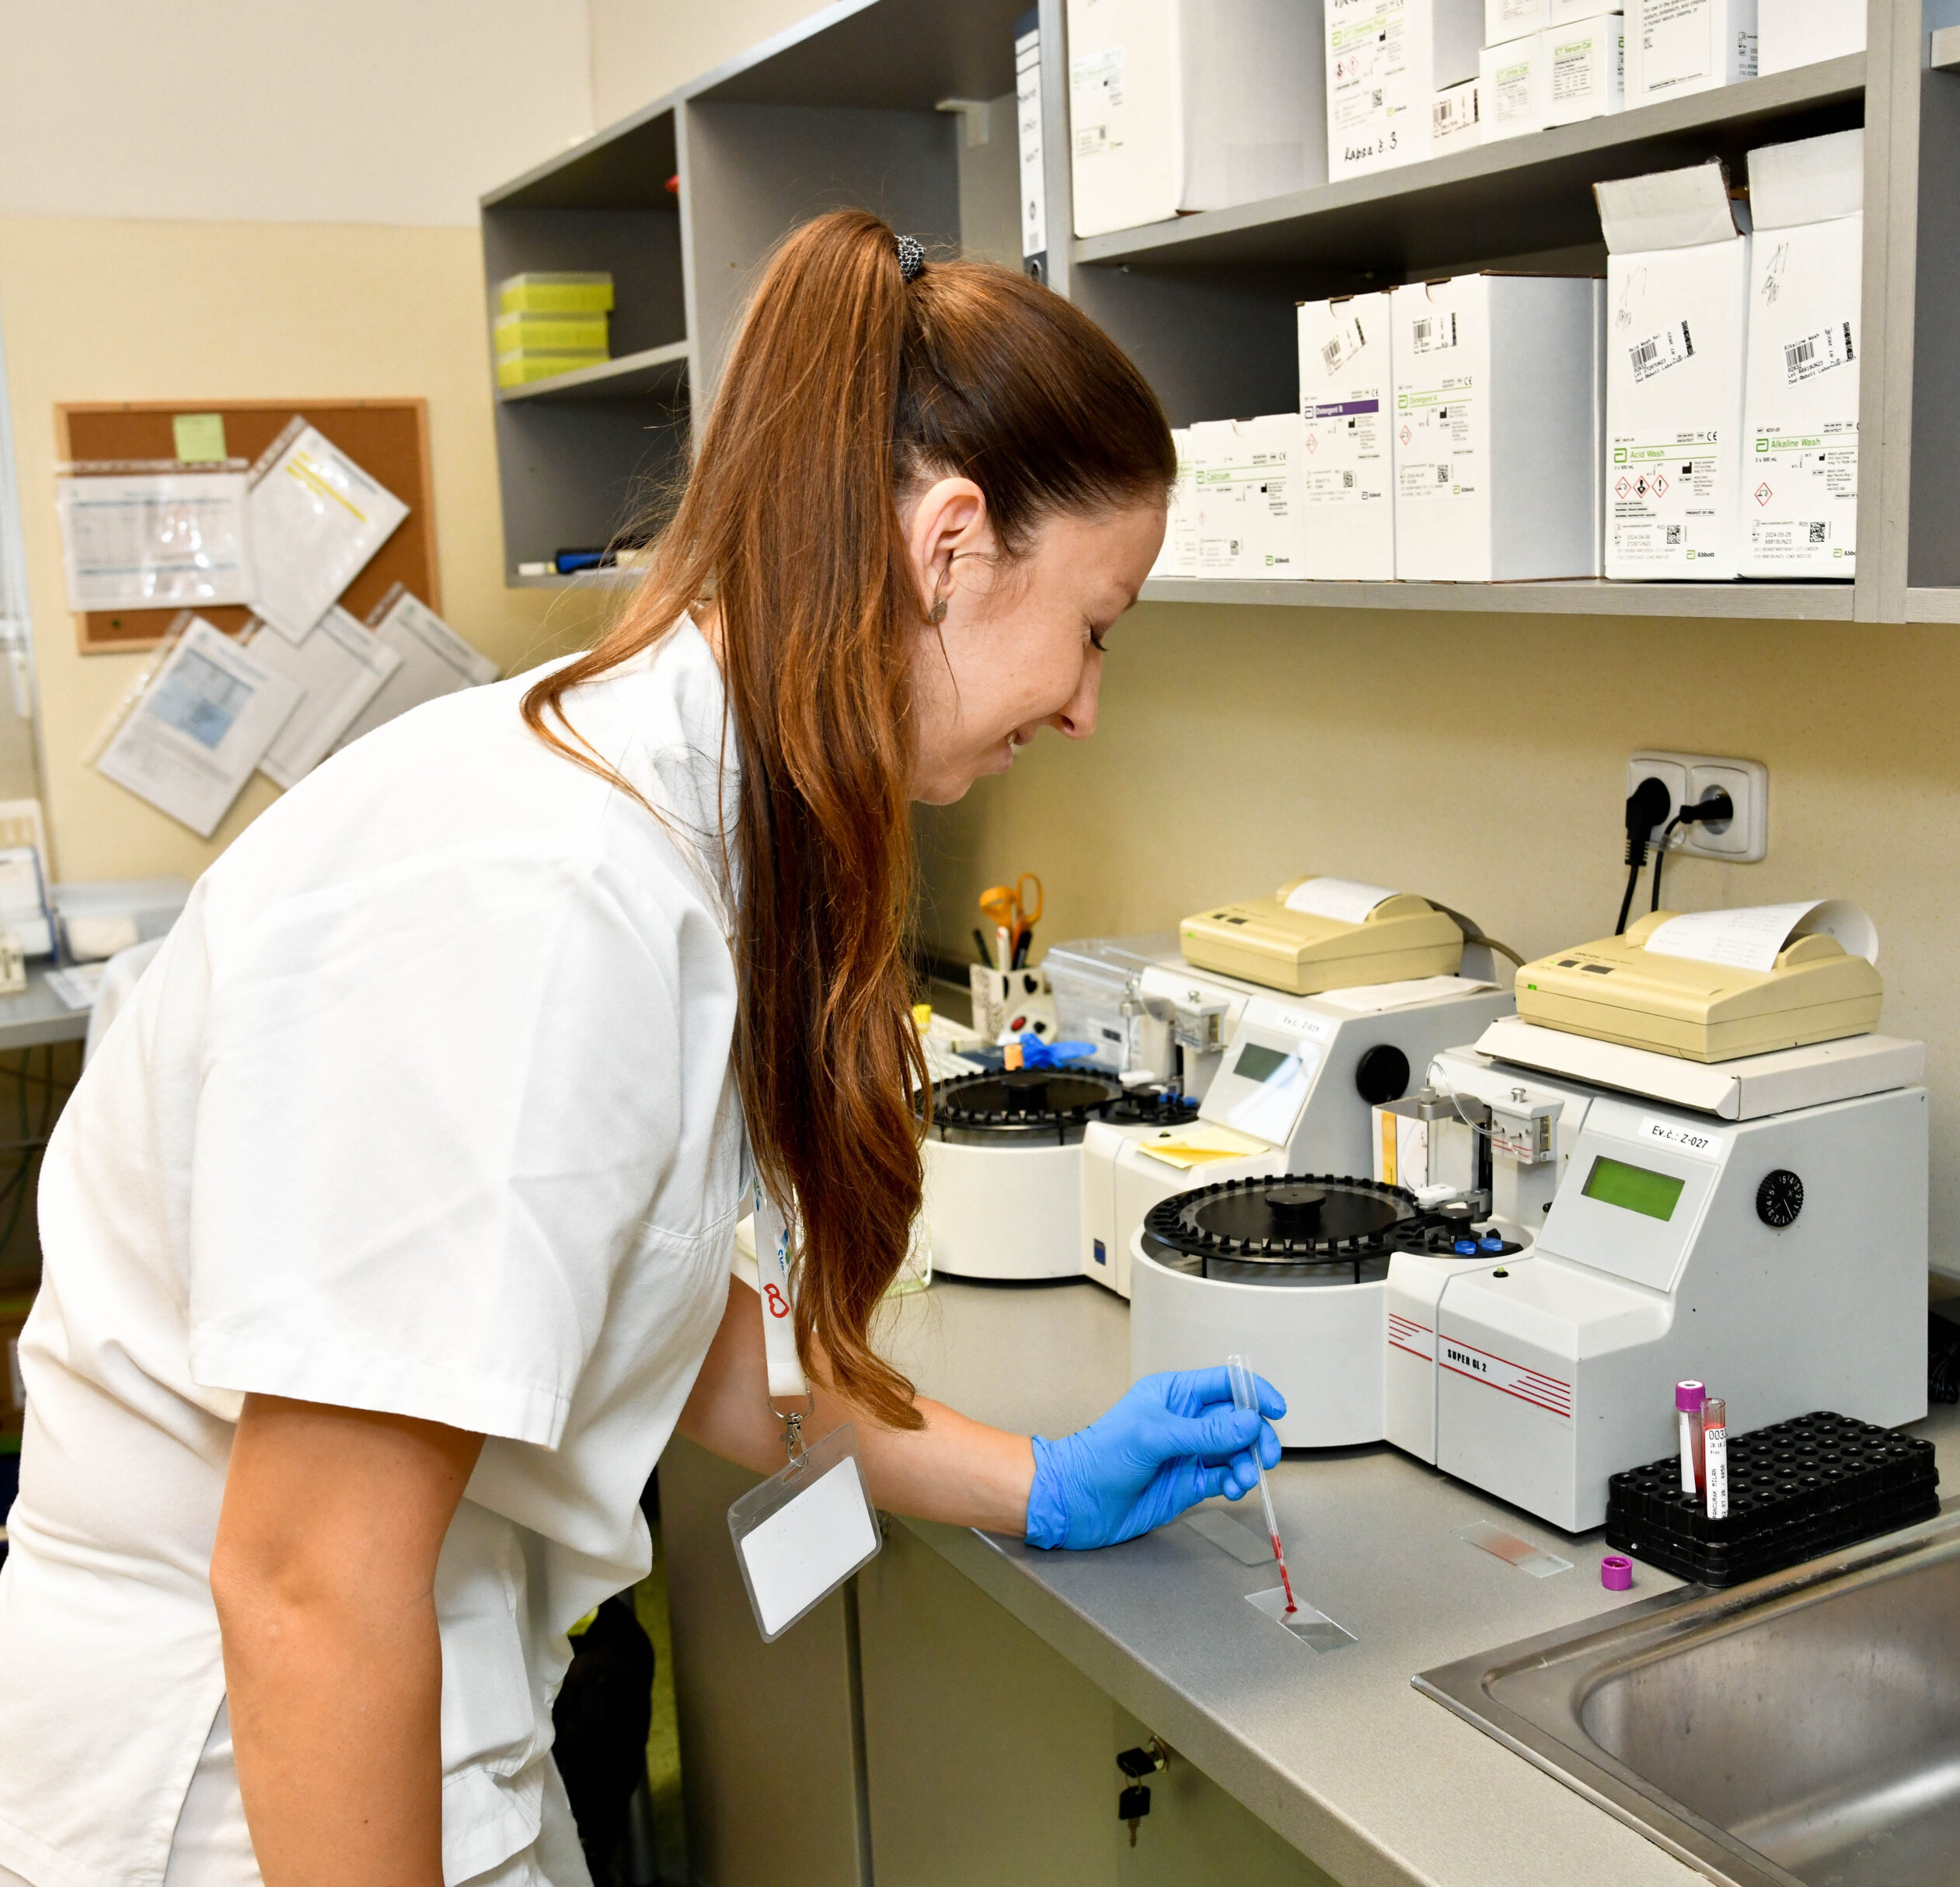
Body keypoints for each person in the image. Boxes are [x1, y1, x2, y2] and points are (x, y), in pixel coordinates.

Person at [0, 213, 1285, 1887]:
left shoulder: (680, 824)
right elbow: (310, 1581)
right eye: (1097, 626)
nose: (1088, 703)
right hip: (238, 1781)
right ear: (951, 545)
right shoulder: (545, 892)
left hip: (417, 1702)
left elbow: (663, 1325)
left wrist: (1033, 1477)